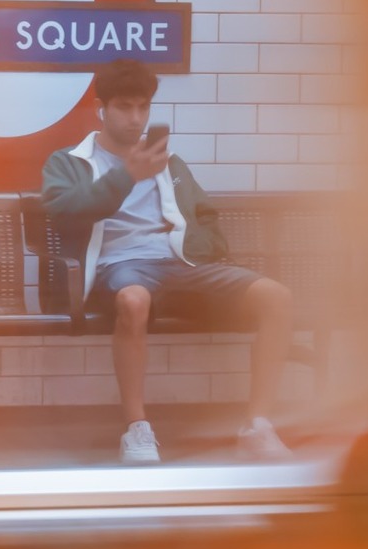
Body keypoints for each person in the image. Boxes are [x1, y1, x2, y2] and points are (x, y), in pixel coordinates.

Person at [41, 58, 294, 464]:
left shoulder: (169, 162)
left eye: (143, 107)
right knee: (133, 302)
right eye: (124, 107)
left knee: (276, 297)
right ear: (101, 108)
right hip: (121, 266)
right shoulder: (69, 162)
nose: (135, 118)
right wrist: (127, 175)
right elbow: (65, 211)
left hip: (182, 263)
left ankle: (258, 425)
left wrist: (206, 247)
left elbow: (205, 214)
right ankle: (137, 429)